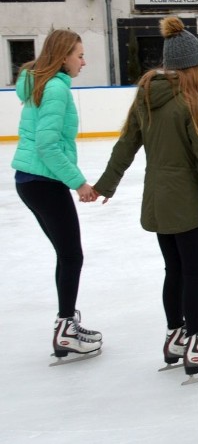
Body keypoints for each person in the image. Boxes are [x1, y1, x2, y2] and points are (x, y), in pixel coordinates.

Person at [92, 16, 198, 380]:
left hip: (155, 199)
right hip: (184, 203)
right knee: (194, 273)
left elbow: (126, 144)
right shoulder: (192, 103)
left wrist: (107, 184)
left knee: (174, 270)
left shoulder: (147, 97)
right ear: (193, 67)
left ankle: (176, 335)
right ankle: (196, 344)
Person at [11, 29, 103, 363]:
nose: (83, 60)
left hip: (30, 180)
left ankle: (66, 322)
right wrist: (79, 183)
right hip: (43, 180)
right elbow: (47, 145)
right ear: (63, 56)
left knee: (66, 254)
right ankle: (65, 328)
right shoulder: (54, 89)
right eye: (79, 54)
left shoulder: (40, 83)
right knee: (71, 255)